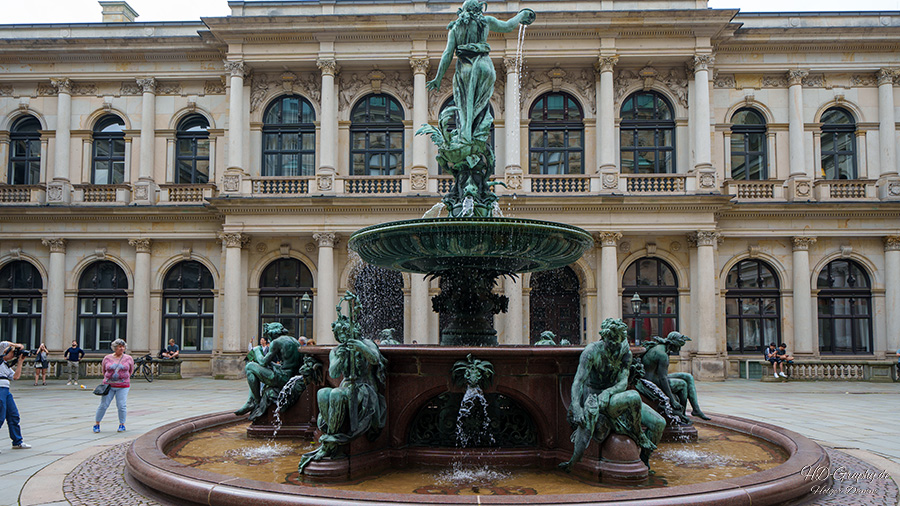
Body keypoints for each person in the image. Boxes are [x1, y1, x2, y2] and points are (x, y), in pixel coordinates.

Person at [560, 318, 665, 472]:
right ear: (605, 338)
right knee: (633, 396)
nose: (616, 347)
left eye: (619, 342)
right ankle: (638, 435)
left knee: (659, 423)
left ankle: (644, 459)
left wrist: (608, 392)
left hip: (613, 395)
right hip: (594, 397)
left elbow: (623, 382)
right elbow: (578, 382)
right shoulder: (592, 351)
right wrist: (576, 406)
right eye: (612, 343)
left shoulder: (624, 352)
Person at [639, 331, 710, 422]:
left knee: (688, 376)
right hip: (651, 382)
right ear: (674, 344)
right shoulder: (662, 355)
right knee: (683, 384)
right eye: (679, 346)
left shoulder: (661, 348)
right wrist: (672, 400)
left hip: (653, 377)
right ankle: (681, 415)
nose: (679, 348)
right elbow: (663, 378)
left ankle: (696, 410)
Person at [94, 339, 134, 433]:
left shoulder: (128, 358)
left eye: (123, 347)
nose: (122, 348)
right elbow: (104, 370)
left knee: (121, 405)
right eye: (120, 346)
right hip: (109, 386)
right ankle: (97, 424)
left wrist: (124, 378)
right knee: (104, 405)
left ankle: (122, 424)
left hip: (123, 385)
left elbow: (130, 371)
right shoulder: (107, 358)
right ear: (115, 347)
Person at [0, 341, 33, 452]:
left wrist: (20, 362)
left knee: (13, 415)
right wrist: (17, 346)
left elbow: (15, 377)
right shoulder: (0, 355)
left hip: (6, 391)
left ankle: (17, 441)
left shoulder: (5, 365)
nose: (14, 355)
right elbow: (4, 343)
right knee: (0, 416)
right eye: (13, 353)